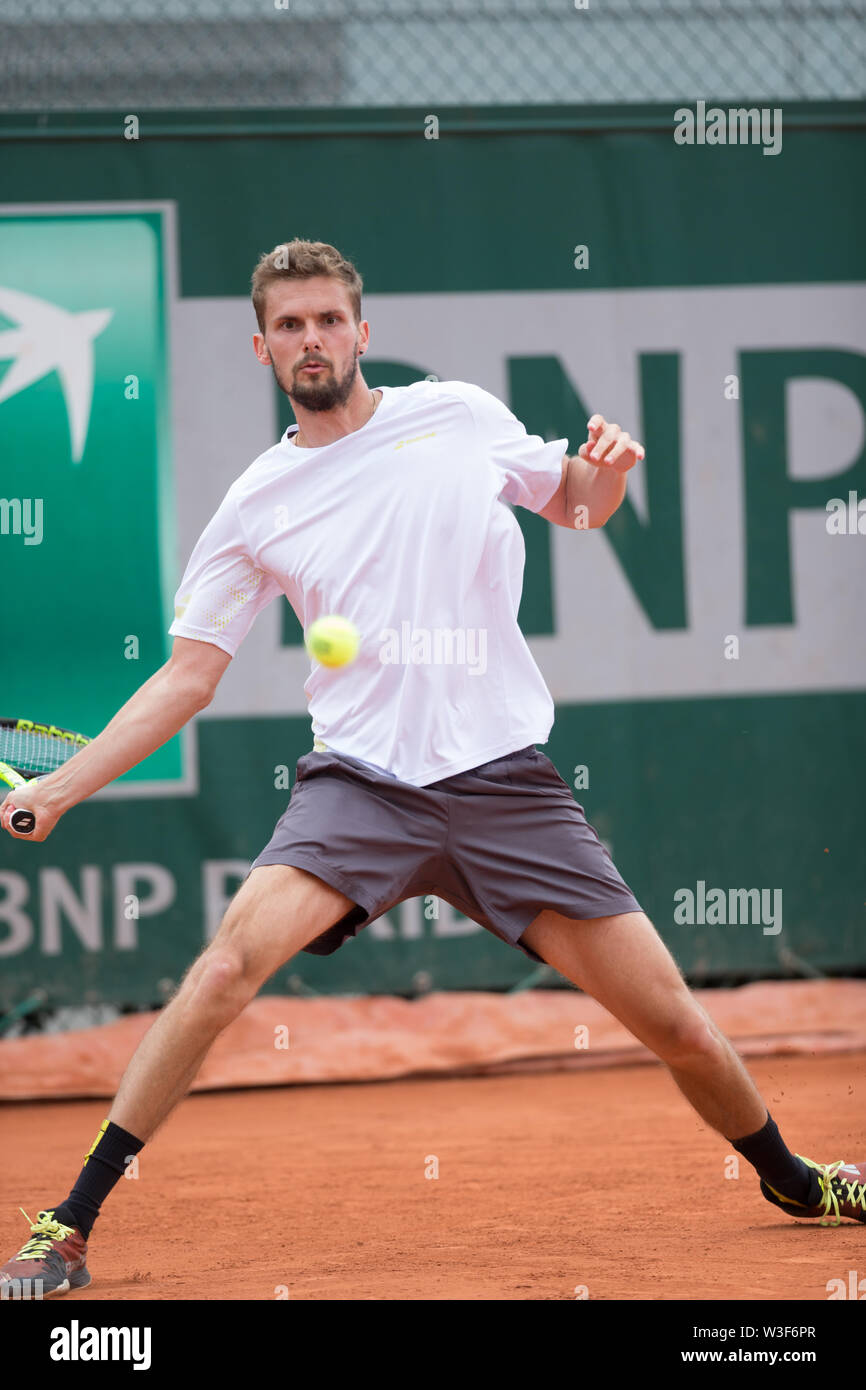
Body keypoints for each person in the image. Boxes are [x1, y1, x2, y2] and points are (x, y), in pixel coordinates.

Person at [2, 238, 862, 1299]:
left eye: (327, 320)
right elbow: (185, 678)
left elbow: (579, 509)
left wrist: (608, 475)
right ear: (261, 346)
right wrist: (59, 785)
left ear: (361, 333)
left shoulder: (455, 415)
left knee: (676, 1023)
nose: (310, 340)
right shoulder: (255, 503)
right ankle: (68, 1224)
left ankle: (790, 1178)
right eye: (288, 325)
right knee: (224, 969)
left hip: (504, 785)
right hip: (358, 787)